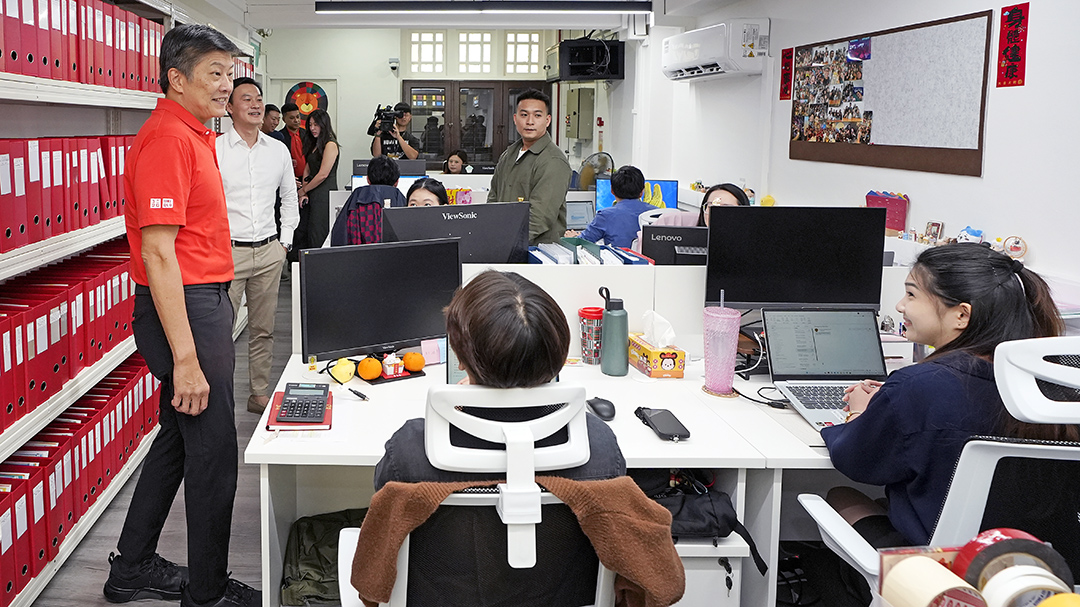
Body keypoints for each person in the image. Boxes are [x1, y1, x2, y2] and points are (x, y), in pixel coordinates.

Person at [351, 270, 683, 607]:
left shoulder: (412, 448)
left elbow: (383, 512)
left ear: (461, 358)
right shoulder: (596, 446)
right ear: (557, 355)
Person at [103, 23, 259, 607]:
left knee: (178, 439)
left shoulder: (193, 133)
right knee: (214, 451)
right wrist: (188, 361)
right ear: (177, 78)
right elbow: (159, 253)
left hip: (198, 301)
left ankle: (132, 566)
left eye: (230, 73)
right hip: (186, 308)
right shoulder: (169, 137)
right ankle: (207, 591)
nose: (228, 85)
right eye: (215, 74)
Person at [822, 243, 1077, 549]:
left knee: (841, 495)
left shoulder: (917, 387)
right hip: (1042, 568)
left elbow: (855, 461)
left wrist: (860, 413)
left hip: (940, 571)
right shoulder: (1058, 386)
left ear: (961, 315)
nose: (901, 306)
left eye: (912, 294)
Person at [216, 77, 298, 415]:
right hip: (227, 253)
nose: (255, 104)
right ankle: (220, 399)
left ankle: (259, 393)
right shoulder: (214, 149)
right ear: (229, 107)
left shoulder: (277, 150)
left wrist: (285, 242)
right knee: (219, 333)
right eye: (246, 98)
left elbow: (289, 198)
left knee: (263, 329)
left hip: (268, 251)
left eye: (259, 98)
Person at [488, 89, 572, 245]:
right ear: (515, 118)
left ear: (547, 120)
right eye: (524, 115)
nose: (530, 121)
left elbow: (539, 217)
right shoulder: (509, 154)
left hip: (536, 252)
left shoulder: (553, 161)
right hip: (505, 245)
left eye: (537, 115)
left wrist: (505, 242)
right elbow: (493, 199)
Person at [570, 165, 652, 248]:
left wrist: (572, 237)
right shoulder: (657, 214)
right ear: (642, 192)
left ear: (612, 190)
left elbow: (582, 242)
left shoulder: (605, 216)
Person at [295, 108, 339, 253]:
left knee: (318, 233)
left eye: (316, 124)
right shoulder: (315, 144)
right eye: (310, 125)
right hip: (312, 192)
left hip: (323, 194)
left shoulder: (330, 144)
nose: (312, 128)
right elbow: (307, 169)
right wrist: (304, 192)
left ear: (324, 124)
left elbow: (323, 174)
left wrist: (303, 190)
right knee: (307, 231)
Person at [270, 102, 306, 184]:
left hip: (307, 179)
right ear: (284, 119)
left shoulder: (307, 134)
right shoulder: (279, 137)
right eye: (292, 118)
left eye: (298, 117)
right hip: (289, 180)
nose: (296, 120)